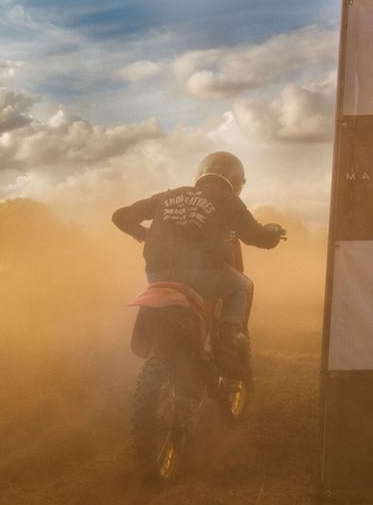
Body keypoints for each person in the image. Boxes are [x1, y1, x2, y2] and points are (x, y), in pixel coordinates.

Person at [112, 151, 286, 380]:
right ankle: (227, 338)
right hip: (203, 275)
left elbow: (121, 216)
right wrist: (273, 234)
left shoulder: (168, 195)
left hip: (156, 275)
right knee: (241, 286)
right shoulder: (228, 199)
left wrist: (144, 235)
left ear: (201, 174)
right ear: (235, 180)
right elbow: (253, 235)